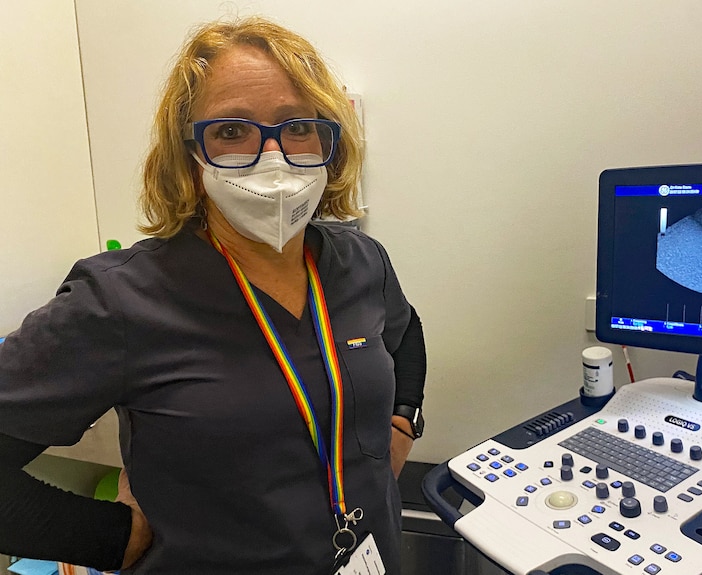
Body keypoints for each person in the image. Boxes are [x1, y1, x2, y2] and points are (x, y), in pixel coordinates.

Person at [0, 16, 426, 575]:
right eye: (231, 131)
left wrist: (401, 424)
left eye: (297, 126)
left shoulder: (359, 260)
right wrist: (108, 538)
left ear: (329, 140)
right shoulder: (118, 300)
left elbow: (406, 335)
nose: (272, 157)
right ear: (189, 154)